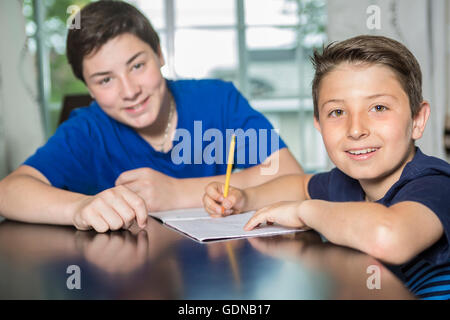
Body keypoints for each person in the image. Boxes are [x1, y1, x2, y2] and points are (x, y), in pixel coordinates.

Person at [0, 1, 302, 233]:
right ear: (89, 89)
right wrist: (79, 208)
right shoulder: (87, 129)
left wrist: (177, 192)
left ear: (159, 54)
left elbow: (288, 171)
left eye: (137, 66)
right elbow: (9, 192)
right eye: (105, 80)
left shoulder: (217, 100)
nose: (129, 91)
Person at [203, 35, 450, 270]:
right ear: (319, 124)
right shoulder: (345, 184)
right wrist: (245, 198)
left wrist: (304, 211)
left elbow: (388, 237)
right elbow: (300, 185)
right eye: (337, 112)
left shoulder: (435, 184)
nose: (355, 130)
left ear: (417, 119)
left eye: (378, 107)